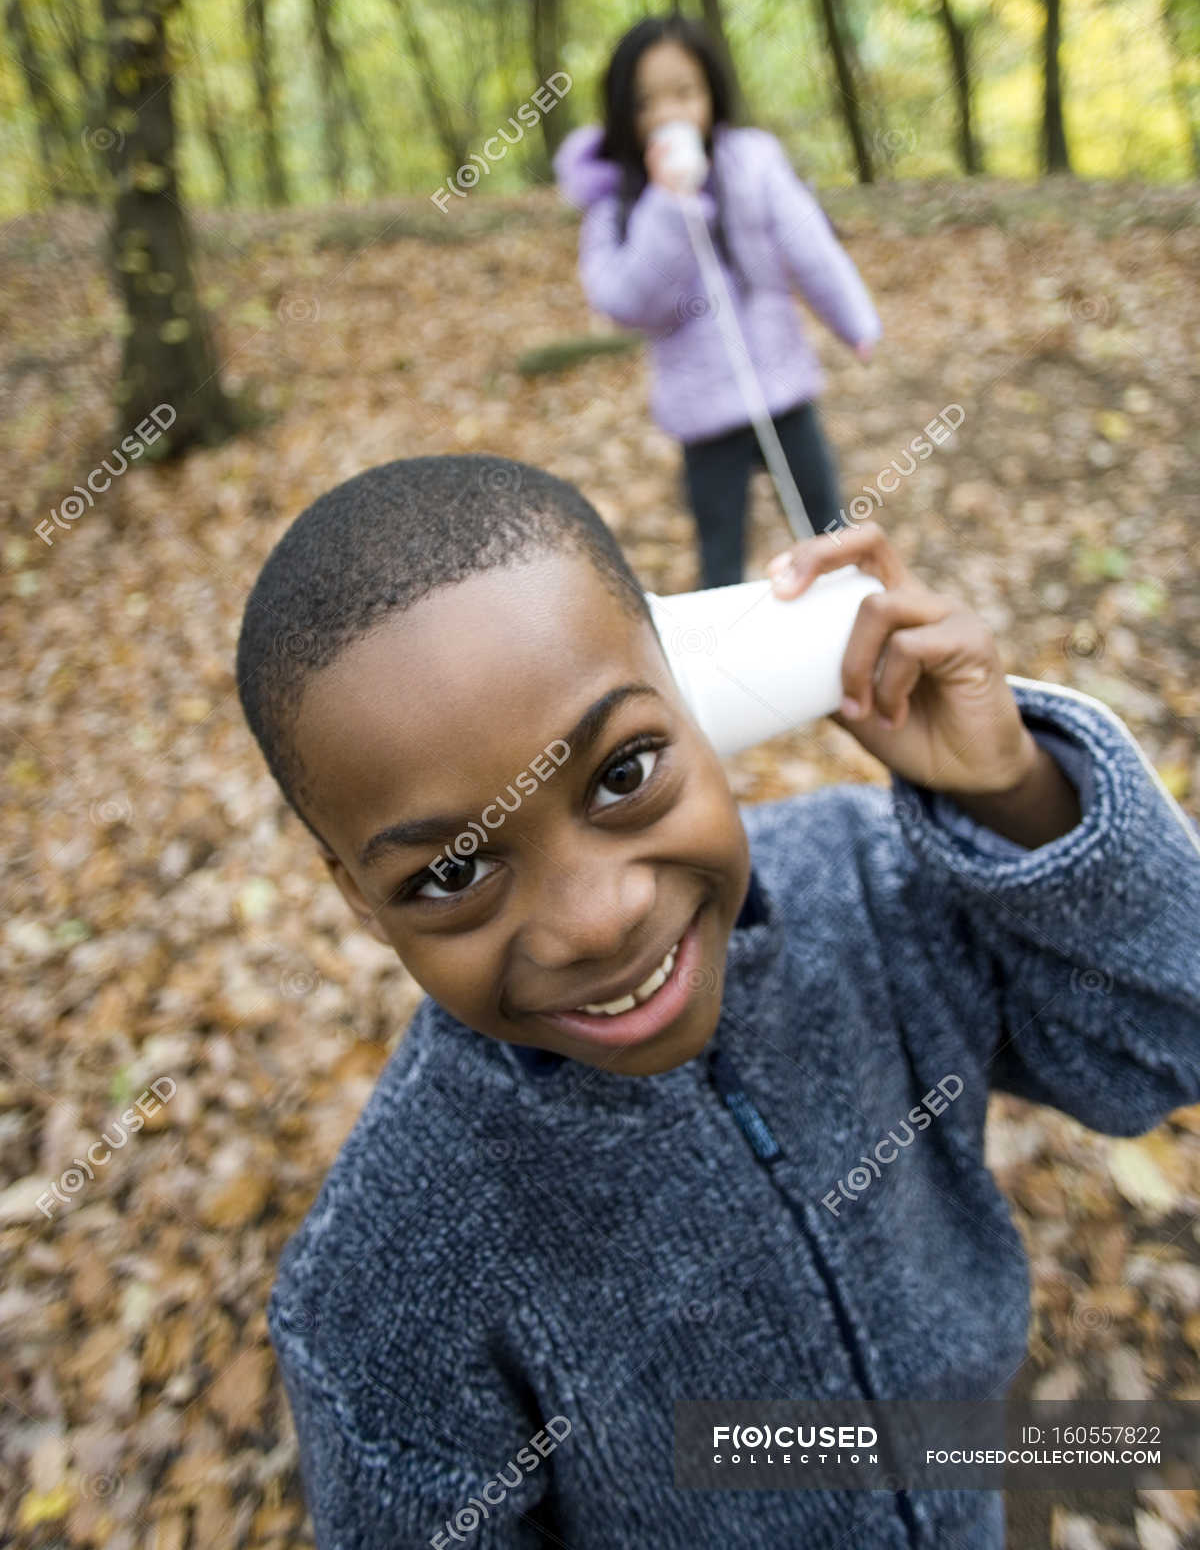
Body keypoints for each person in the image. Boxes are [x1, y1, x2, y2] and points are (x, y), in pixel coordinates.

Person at [235, 453, 1200, 1550]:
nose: (597, 921)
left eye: (622, 770)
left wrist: (1015, 791)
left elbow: (1165, 1046)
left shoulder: (875, 893)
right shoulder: (378, 1290)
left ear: (694, 697)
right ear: (359, 897)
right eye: (452, 873)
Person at [554, 13, 882, 588]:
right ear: (622, 114)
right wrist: (669, 207)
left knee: (827, 530)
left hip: (782, 392)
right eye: (645, 102)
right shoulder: (615, 204)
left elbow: (810, 244)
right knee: (721, 557)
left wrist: (853, 318)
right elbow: (627, 302)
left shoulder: (753, 163)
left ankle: (853, 626)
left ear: (711, 92)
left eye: (684, 93)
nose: (668, 114)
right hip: (702, 417)